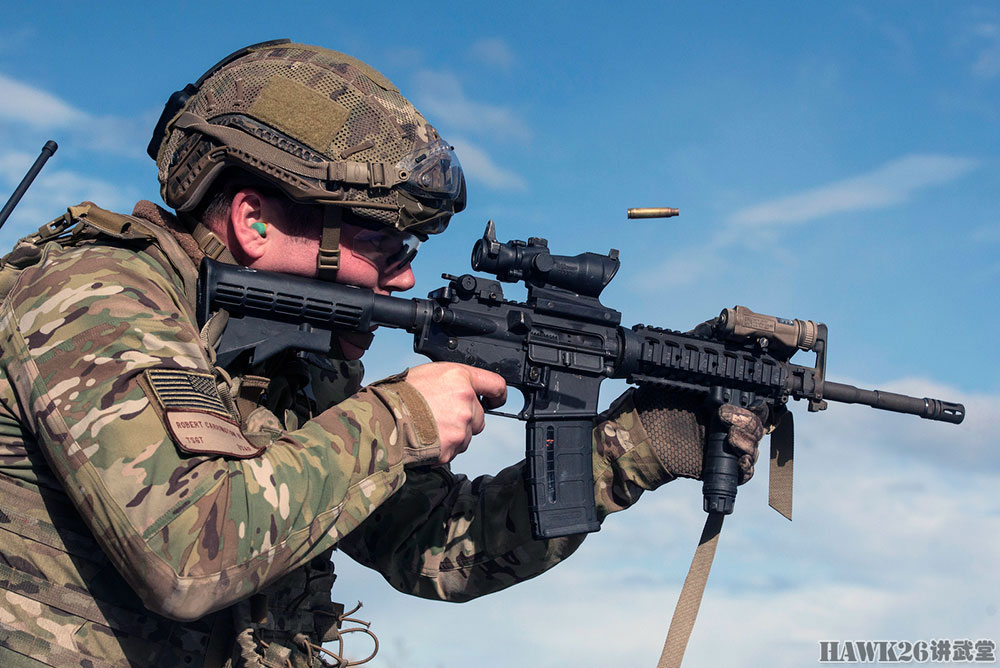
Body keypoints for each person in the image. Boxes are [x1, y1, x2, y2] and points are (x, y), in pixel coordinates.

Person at [0, 40, 766, 668]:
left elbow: (435, 548)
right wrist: (399, 418)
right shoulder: (91, 296)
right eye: (377, 240)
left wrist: (632, 449)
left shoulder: (292, 365)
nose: (403, 275)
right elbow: (188, 556)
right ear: (254, 221)